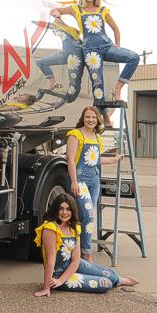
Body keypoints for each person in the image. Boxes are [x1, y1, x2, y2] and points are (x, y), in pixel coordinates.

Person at [50, 0, 140, 105]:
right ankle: (103, 115)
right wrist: (56, 13)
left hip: (106, 46)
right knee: (98, 85)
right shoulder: (76, 9)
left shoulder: (103, 10)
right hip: (90, 49)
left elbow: (115, 28)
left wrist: (117, 44)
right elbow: (55, 10)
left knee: (134, 57)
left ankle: (118, 88)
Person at [33, 193, 138, 297]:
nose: (64, 212)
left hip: (74, 265)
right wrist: (48, 286)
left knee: (108, 274)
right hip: (57, 276)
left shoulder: (74, 227)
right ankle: (112, 280)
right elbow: (50, 261)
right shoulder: (50, 228)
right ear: (56, 210)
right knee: (105, 283)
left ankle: (120, 280)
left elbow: (76, 259)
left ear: (73, 211)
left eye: (68, 209)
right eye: (61, 209)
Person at [66, 106, 104, 260]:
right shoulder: (75, 135)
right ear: (83, 118)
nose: (91, 120)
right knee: (87, 215)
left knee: (88, 215)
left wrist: (115, 159)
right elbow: (70, 159)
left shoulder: (97, 137)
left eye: (94, 117)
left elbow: (96, 160)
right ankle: (85, 254)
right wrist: (74, 182)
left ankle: (79, 252)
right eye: (88, 117)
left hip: (94, 179)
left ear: (98, 119)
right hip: (80, 179)